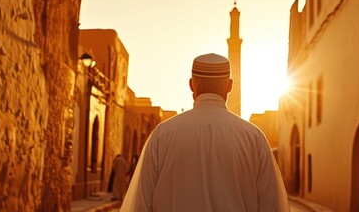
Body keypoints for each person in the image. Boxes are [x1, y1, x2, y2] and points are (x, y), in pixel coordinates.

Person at [121, 53, 289, 212]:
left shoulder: (162, 135)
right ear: (230, 86)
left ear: (191, 84)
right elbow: (272, 205)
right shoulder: (253, 137)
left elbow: (140, 204)